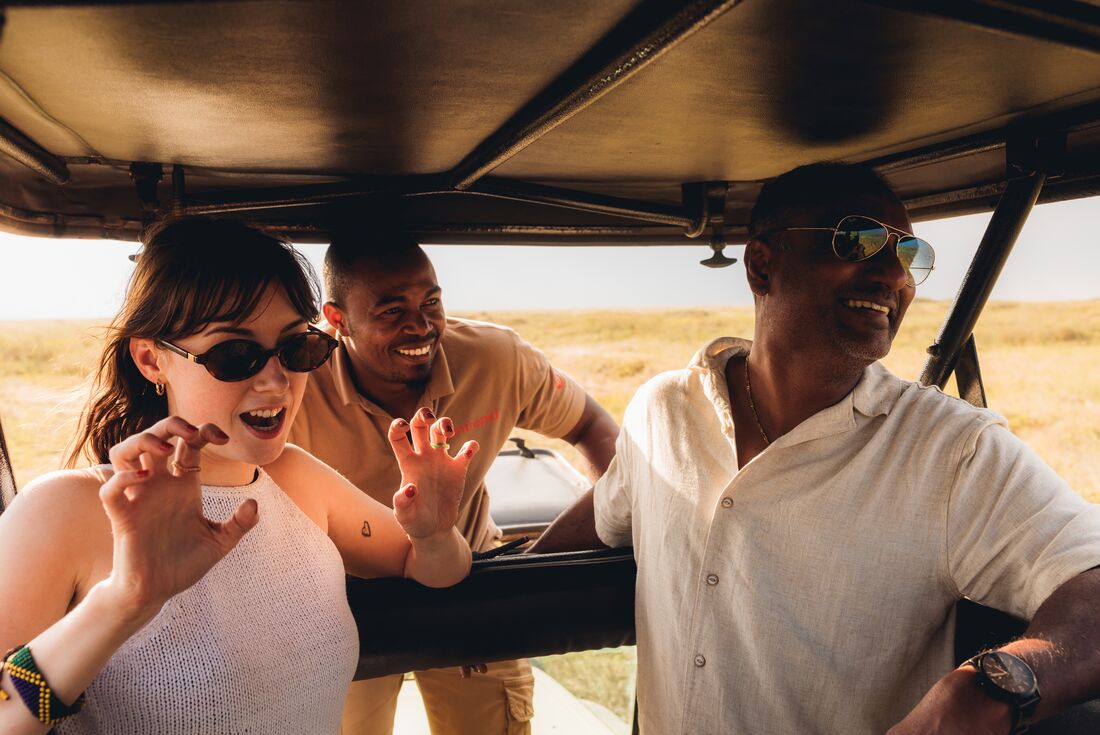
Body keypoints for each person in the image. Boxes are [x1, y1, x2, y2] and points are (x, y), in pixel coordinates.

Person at [533, 163, 1100, 733]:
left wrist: (985, 690)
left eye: (908, 254)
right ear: (762, 265)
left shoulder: (951, 451)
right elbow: (610, 507)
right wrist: (480, 604)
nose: (891, 274)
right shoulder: (663, 411)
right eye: (857, 240)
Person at [0, 219, 479, 735]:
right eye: (235, 354)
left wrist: (432, 535)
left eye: (297, 348)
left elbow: (433, 568)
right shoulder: (66, 511)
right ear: (151, 359)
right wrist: (122, 603)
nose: (276, 381)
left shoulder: (294, 479)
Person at [288, 230, 619, 735]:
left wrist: (537, 570)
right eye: (391, 311)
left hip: (471, 587)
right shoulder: (296, 384)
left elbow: (594, 427)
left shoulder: (497, 358)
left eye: (432, 302)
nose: (420, 326)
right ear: (337, 319)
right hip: (346, 603)